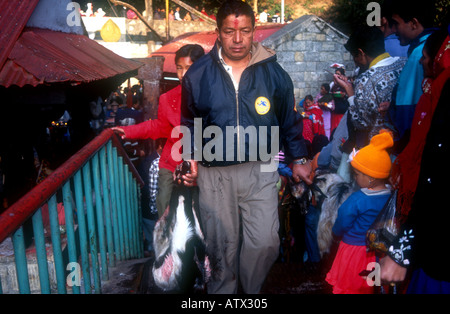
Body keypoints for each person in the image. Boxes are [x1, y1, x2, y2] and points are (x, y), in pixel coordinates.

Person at [179, 0, 312, 294]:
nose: (237, 40)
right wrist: (189, 158)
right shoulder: (198, 74)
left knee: (265, 241)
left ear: (255, 31)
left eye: (245, 32)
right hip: (214, 173)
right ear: (218, 31)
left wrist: (299, 156)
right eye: (229, 32)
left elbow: (289, 120)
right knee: (220, 247)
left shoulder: (274, 73)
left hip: (262, 168)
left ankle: (250, 292)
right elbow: (188, 122)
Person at [380, 27, 450, 293]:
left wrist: (403, 250)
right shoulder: (435, 90)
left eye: (426, 56)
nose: (422, 60)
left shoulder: (444, 89)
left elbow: (437, 173)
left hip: (439, 249)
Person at [111, 44, 205, 217]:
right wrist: (128, 131)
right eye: (179, 68)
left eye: (189, 68)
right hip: (171, 163)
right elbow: (159, 126)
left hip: (204, 165)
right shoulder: (168, 98)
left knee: (201, 216)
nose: (183, 75)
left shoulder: (213, 98)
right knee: (165, 212)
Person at [326, 131, 394, 294]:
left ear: (370, 177)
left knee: (350, 288)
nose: (355, 178)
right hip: (378, 254)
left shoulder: (358, 199)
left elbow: (342, 221)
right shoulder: (391, 196)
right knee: (370, 288)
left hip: (354, 253)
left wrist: (335, 233)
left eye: (357, 174)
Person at [333, 25, 406, 151]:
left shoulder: (366, 79)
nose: (355, 62)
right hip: (403, 139)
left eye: (354, 57)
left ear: (361, 53)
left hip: (379, 148)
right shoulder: (404, 62)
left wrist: (350, 94)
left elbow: (361, 123)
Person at [387, 0, 437, 153]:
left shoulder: (419, 55)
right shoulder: (436, 44)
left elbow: (407, 108)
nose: (394, 30)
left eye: (396, 23)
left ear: (414, 23)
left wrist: (401, 144)